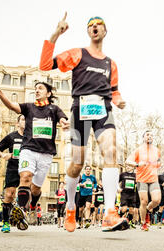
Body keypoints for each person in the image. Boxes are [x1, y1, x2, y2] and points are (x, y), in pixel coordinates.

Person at [40, 14, 128, 233]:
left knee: (111, 151)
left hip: (103, 111)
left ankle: (109, 212)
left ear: (105, 31)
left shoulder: (111, 63)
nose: (95, 27)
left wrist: (118, 101)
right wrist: (56, 34)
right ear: (88, 32)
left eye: (99, 24)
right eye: (91, 25)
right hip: (80, 109)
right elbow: (44, 64)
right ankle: (70, 207)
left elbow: (114, 90)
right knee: (77, 162)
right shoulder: (78, 53)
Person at [0, 74, 69, 230]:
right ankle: (21, 211)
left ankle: (32, 205)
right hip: (28, 150)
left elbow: (62, 119)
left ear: (49, 93)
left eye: (40, 88)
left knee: (36, 188)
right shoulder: (28, 107)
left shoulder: (54, 109)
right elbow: (11, 106)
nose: (37, 90)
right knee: (25, 177)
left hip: (46, 154)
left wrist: (64, 123)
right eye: (35, 88)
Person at [0, 114, 26, 233]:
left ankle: (22, 217)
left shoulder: (32, 137)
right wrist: (3, 155)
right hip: (13, 168)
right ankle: (6, 222)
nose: (25, 121)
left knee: (26, 193)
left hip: (27, 170)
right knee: (9, 195)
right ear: (17, 123)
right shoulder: (11, 137)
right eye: (23, 119)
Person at [126, 130, 161, 231]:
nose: (149, 136)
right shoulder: (138, 150)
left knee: (156, 200)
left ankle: (147, 210)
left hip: (153, 179)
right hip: (142, 179)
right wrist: (137, 164)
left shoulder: (156, 150)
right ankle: (143, 222)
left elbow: (158, 162)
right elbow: (127, 161)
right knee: (144, 201)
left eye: (151, 135)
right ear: (143, 138)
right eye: (147, 135)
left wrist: (158, 164)